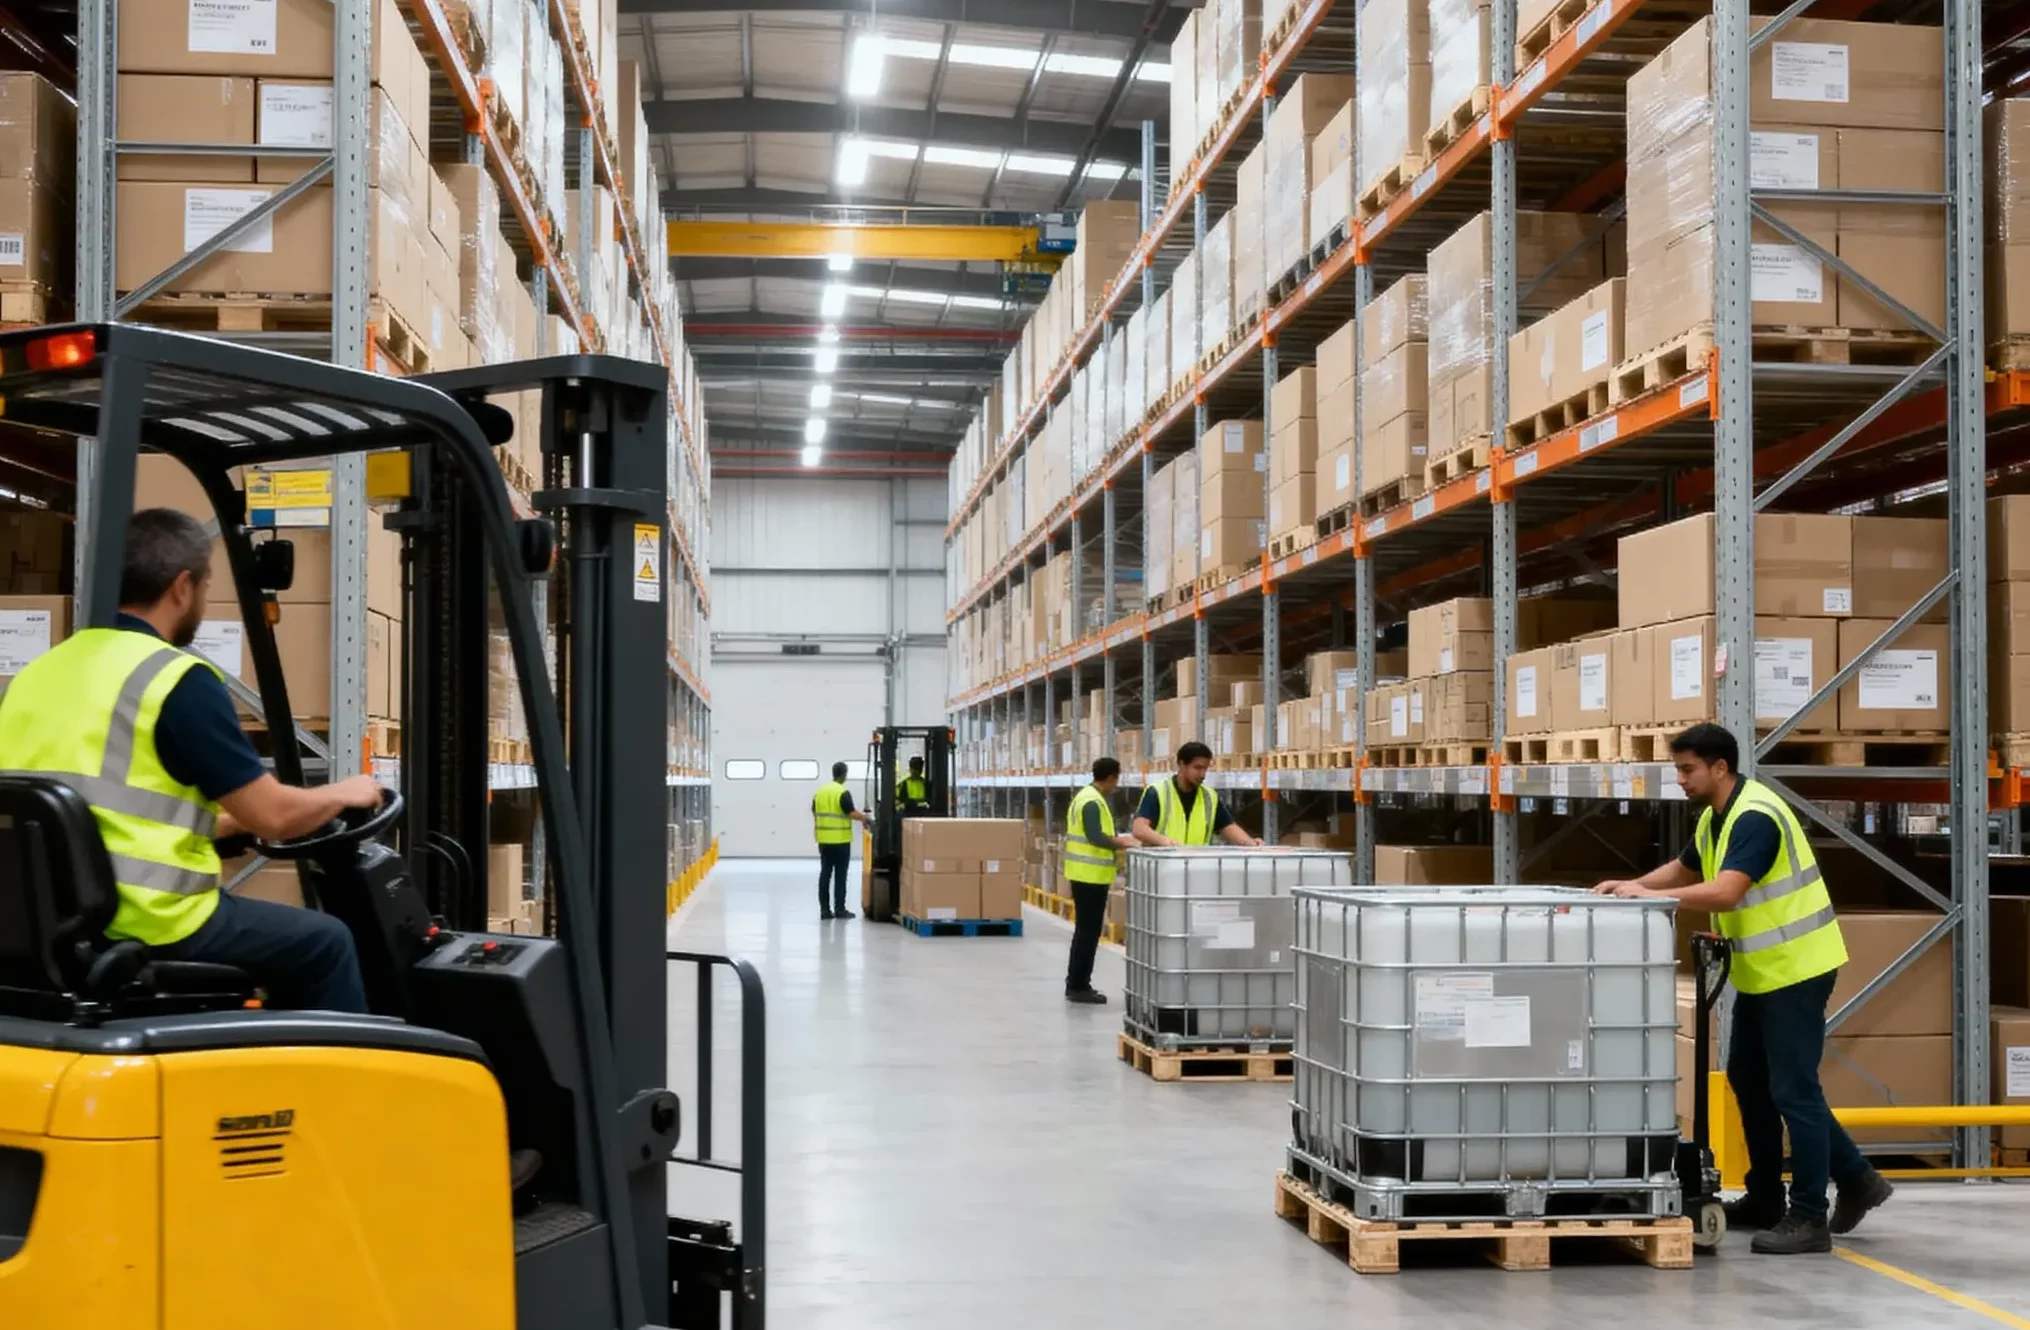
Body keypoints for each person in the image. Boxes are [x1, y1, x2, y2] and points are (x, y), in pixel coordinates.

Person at [0, 509, 386, 1012]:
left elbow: (94, 807)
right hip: (148, 922)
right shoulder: (175, 680)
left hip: (49, 922)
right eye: (205, 585)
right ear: (182, 587)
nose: (202, 598)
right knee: (325, 942)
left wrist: (218, 826)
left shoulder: (40, 672)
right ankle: (332, 1089)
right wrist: (346, 792)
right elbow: (275, 816)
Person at [1593, 722, 1892, 1255]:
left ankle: (1808, 1216)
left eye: (1687, 770)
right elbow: (1686, 867)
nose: (1680, 780)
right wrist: (1633, 885)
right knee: (1748, 1078)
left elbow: (1728, 892)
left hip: (1797, 968)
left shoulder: (1756, 817)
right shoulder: (1716, 818)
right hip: (1764, 970)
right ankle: (1774, 1196)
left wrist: (1646, 898)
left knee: (1793, 1090)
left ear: (1720, 768)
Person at [1062, 757, 1139, 1005]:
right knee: (1088, 932)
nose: (1116, 784)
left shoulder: (1086, 796)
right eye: (1116, 778)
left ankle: (1077, 983)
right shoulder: (1093, 801)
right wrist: (1123, 842)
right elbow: (1095, 836)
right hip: (1089, 876)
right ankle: (1078, 986)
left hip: (1085, 874)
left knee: (1085, 931)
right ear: (1110, 778)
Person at [1130, 741, 1263, 847]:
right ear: (1181, 765)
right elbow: (1139, 829)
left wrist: (1251, 843)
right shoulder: (1157, 792)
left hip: (1196, 869)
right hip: (1165, 868)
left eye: (1205, 768)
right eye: (1197, 768)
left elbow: (1228, 827)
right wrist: (1166, 842)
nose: (1202, 774)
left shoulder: (1209, 797)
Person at [813, 760, 870, 920]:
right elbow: (850, 812)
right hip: (840, 841)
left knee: (825, 874)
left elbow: (815, 813)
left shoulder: (820, 792)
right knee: (840, 876)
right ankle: (840, 910)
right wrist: (865, 818)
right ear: (844, 774)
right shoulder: (842, 792)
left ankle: (825, 911)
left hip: (824, 841)